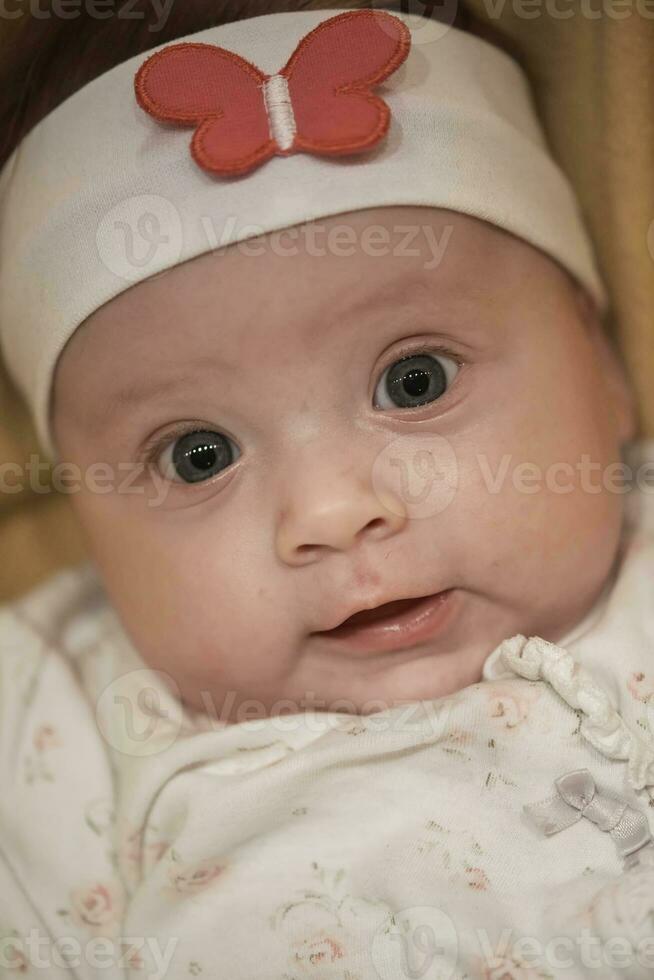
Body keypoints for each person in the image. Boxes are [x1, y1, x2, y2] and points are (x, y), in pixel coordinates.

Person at [1, 3, 653, 977]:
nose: (333, 512)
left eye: (415, 381)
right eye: (198, 454)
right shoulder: (51, 712)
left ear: (601, 364)